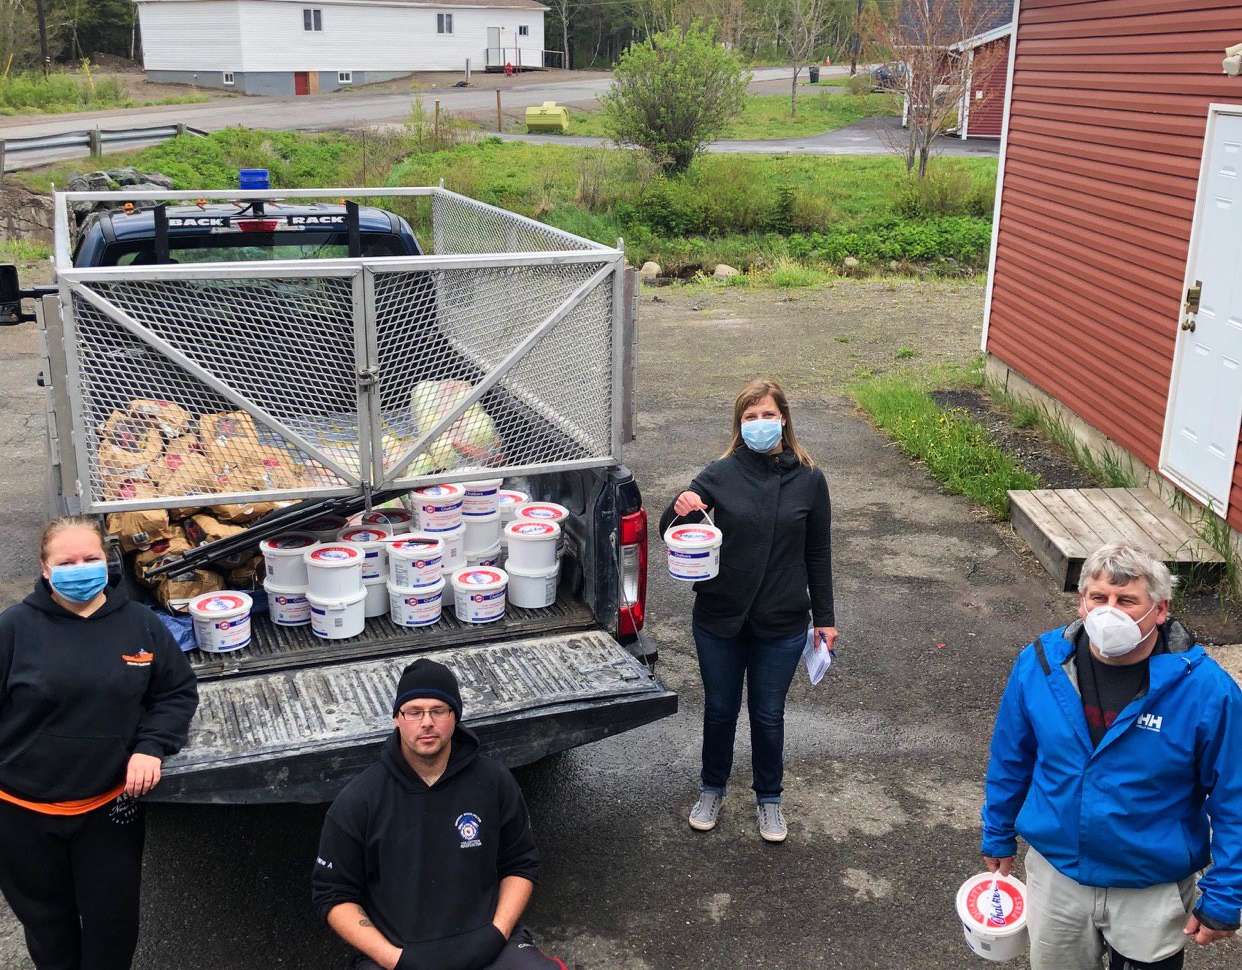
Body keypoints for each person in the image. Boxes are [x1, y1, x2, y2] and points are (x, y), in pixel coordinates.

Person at [981, 541, 1241, 970]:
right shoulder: (1041, 666)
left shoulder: (1207, 692)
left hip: (1150, 887)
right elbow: (1012, 757)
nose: (1110, 611)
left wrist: (1227, 892)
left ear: (1159, 609)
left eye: (1127, 600)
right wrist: (998, 831)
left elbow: (1235, 795)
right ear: (1082, 603)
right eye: (1099, 597)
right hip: (1057, 877)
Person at [0, 516, 199, 970]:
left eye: (90, 558)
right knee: (50, 930)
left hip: (108, 811)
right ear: (45, 569)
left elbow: (176, 693)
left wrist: (152, 745)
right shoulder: (12, 630)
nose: (80, 568)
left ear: (107, 561)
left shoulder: (140, 624)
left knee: (113, 929)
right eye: (65, 561)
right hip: (21, 815)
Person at [659, 377, 837, 843]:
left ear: (784, 419)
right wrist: (680, 506)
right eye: (750, 417)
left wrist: (826, 619)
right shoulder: (722, 472)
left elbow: (818, 553)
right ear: (740, 425)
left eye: (767, 415)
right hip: (720, 617)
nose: (760, 423)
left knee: (767, 714)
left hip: (781, 621)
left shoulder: (809, 478)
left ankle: (769, 799)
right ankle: (711, 788)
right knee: (719, 710)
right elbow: (671, 526)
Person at [311, 659, 563, 970]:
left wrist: (497, 933)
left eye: (439, 710)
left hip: (488, 945)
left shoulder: (494, 782)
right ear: (396, 718)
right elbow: (333, 894)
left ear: (455, 716)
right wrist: (395, 959)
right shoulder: (359, 800)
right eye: (414, 711)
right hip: (400, 956)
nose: (427, 722)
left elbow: (521, 863)